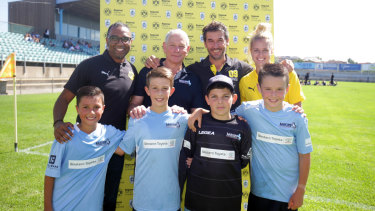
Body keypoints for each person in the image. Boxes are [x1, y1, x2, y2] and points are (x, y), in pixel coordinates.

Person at [190, 64, 311, 210]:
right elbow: (223, 112)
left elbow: (305, 155)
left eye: (279, 89)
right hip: (257, 192)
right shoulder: (248, 110)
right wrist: (201, 111)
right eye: (268, 89)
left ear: (287, 89)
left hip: (287, 195)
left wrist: (301, 188)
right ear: (259, 88)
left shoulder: (297, 117)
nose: (273, 94)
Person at [52, 22, 138, 210]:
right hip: (86, 145)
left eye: (125, 38)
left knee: (109, 198)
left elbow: (132, 106)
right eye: (115, 37)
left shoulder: (132, 70)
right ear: (107, 40)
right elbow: (64, 98)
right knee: (81, 196)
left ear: (131, 42)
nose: (120, 42)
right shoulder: (89, 65)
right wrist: (57, 122)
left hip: (115, 145)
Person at [44, 86, 126, 211]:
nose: (91, 112)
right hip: (63, 207)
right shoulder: (65, 135)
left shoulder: (109, 134)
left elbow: (125, 147)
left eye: (96, 107)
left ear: (103, 109)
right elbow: (50, 175)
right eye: (85, 107)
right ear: (77, 109)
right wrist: (47, 208)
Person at [119, 67, 189, 211]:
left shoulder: (182, 119)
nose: (160, 93)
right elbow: (122, 149)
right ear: (147, 90)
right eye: (155, 88)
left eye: (165, 88)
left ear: (172, 91)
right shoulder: (137, 119)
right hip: (142, 202)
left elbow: (206, 120)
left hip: (171, 201)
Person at [179, 75, 252, 211]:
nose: (220, 101)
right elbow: (188, 154)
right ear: (207, 99)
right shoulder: (198, 122)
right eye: (214, 97)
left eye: (225, 96)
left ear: (234, 98)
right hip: (196, 199)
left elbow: (243, 161)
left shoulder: (242, 127)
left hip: (228, 200)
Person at [145, 21, 253, 111]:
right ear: (205, 44)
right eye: (210, 41)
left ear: (227, 41)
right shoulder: (193, 70)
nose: (215, 46)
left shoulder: (243, 68)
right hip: (203, 131)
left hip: (234, 130)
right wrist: (156, 62)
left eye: (220, 40)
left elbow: (262, 78)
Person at [129, 29, 204, 116]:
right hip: (149, 128)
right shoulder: (148, 71)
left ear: (187, 49)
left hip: (180, 129)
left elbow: (196, 114)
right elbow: (134, 104)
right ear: (164, 47)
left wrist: (182, 114)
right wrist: (136, 110)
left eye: (181, 46)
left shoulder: (193, 79)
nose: (177, 50)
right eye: (172, 45)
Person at [239, 23, 305, 107]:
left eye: (265, 50)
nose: (260, 55)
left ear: (272, 51)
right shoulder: (245, 81)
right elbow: (245, 112)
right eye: (256, 50)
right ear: (250, 51)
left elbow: (297, 109)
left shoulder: (288, 74)